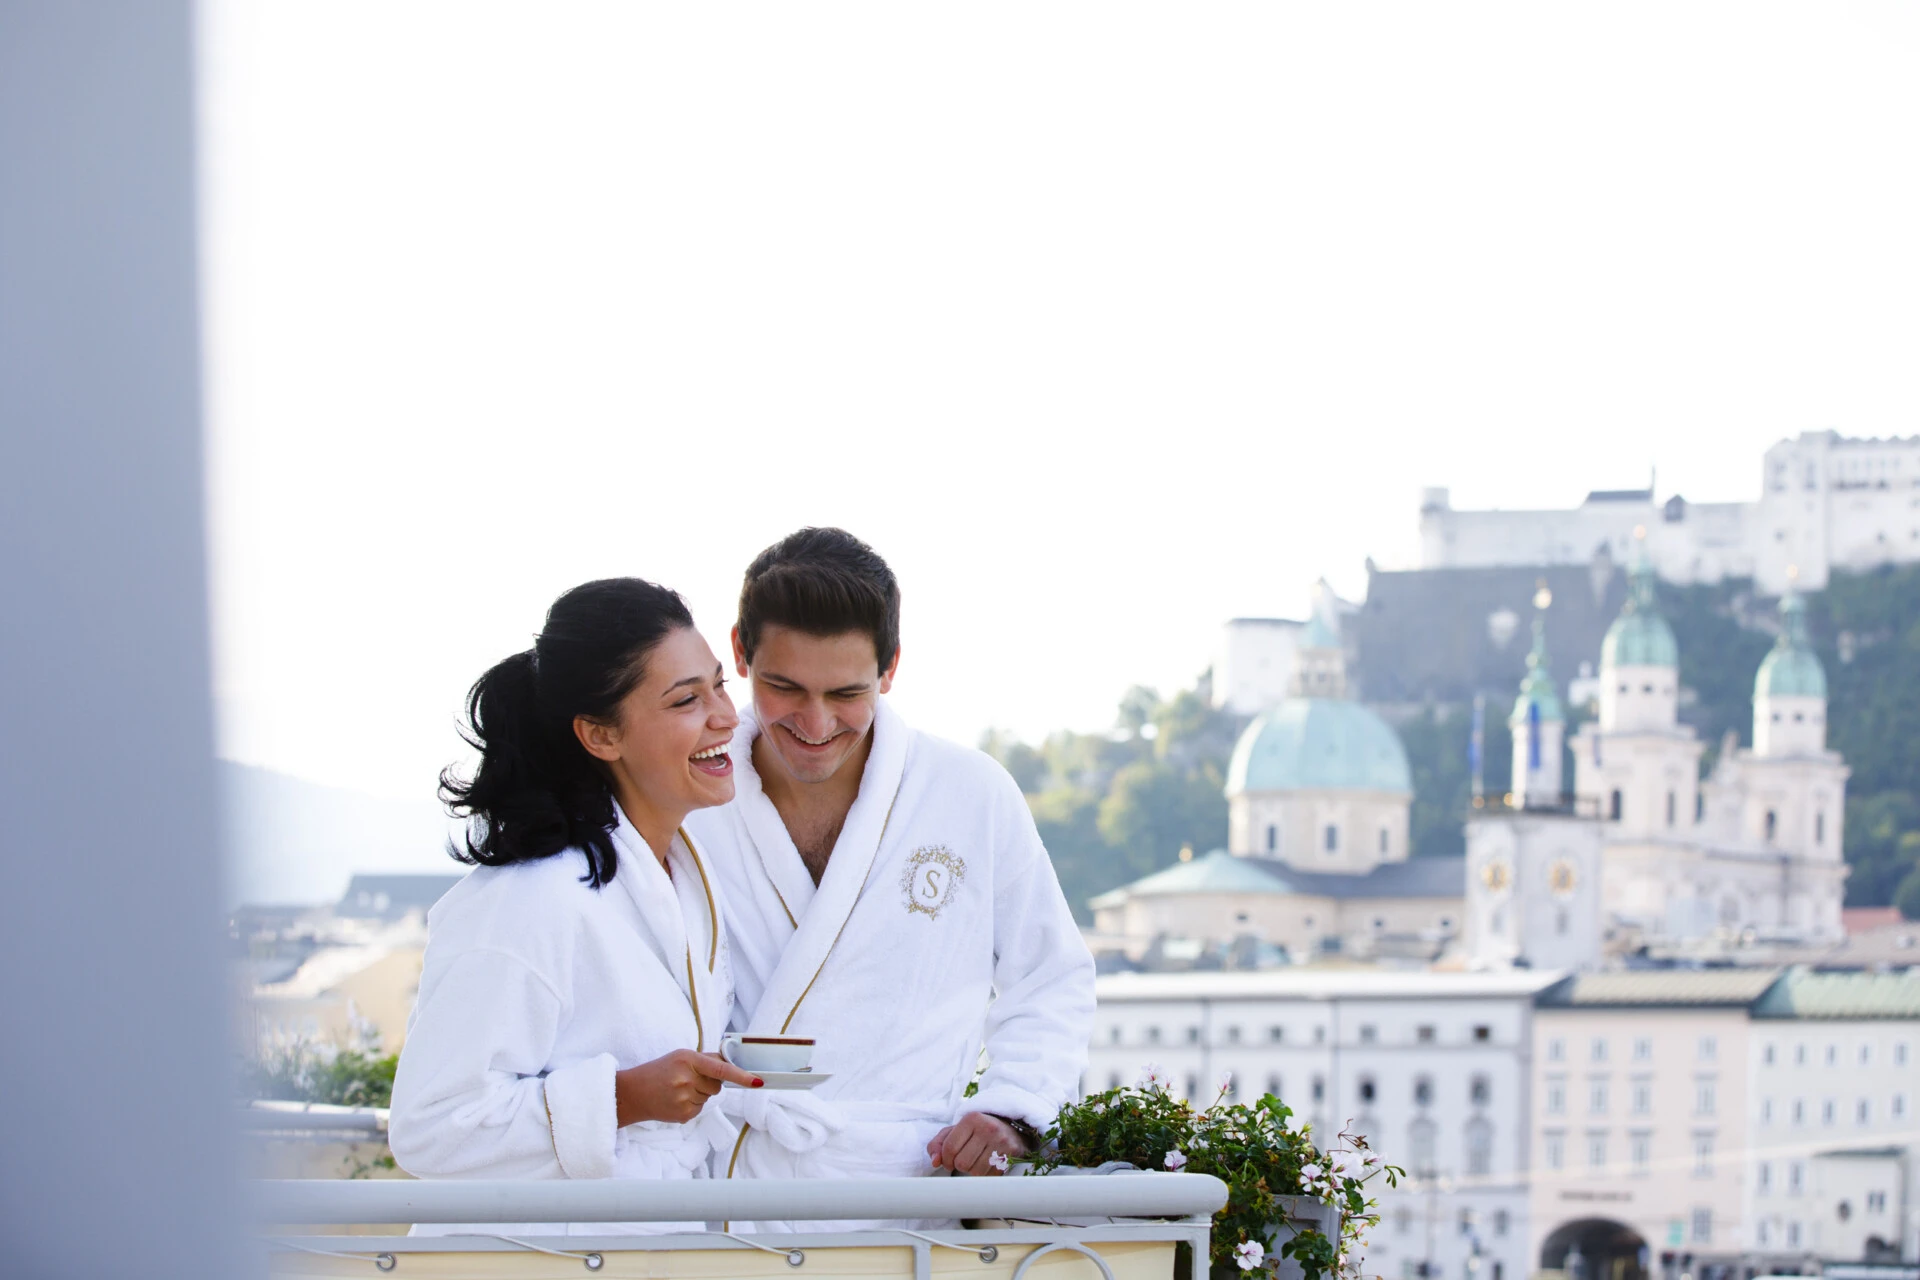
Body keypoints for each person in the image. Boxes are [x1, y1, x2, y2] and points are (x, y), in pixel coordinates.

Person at [686, 528, 1095, 1229]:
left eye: (845, 693)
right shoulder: (688, 798)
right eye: (784, 688)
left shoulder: (969, 793)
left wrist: (1013, 1110)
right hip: (724, 1193)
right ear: (740, 653)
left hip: (907, 1193)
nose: (815, 724)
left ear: (891, 667)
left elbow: (1050, 975)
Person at [389, 577, 760, 1235]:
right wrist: (620, 1099)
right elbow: (429, 1128)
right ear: (599, 735)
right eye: (686, 700)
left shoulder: (683, 880)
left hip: (648, 1246)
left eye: (719, 686)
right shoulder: (526, 904)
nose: (726, 717)